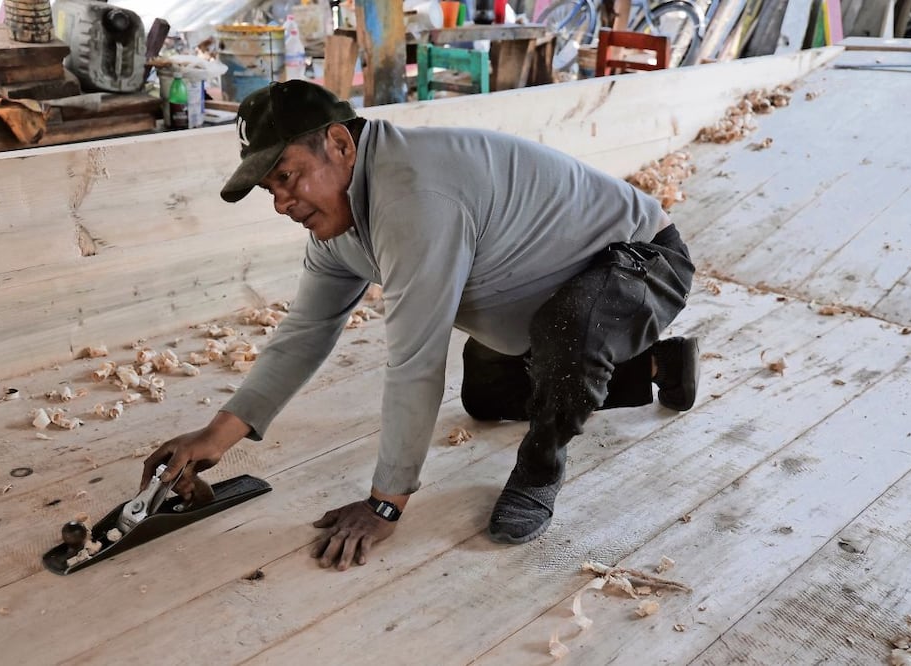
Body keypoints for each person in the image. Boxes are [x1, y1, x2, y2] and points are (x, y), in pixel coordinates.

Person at [142, 80, 698, 571]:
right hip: (550, 295)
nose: (282, 203)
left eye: (287, 176)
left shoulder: (412, 195)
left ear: (340, 144)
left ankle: (538, 472)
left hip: (640, 264)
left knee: (566, 343)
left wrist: (386, 502)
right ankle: (656, 365)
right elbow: (306, 331)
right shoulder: (339, 226)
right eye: (271, 190)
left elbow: (415, 362)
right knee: (487, 395)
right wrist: (220, 435)